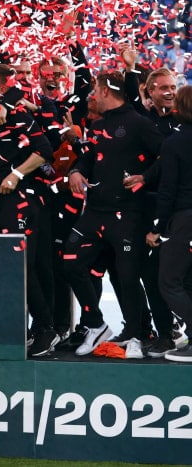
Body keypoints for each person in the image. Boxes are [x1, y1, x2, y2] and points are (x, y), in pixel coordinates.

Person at [66, 72, 163, 357]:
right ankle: (96, 324)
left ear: (107, 91)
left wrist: (144, 177)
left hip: (128, 213)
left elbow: (166, 156)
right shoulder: (98, 126)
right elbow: (87, 157)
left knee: (127, 275)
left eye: (95, 90)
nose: (92, 96)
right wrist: (76, 171)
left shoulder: (139, 123)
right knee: (69, 260)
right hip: (95, 212)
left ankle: (136, 334)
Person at [0, 65, 57, 356]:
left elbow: (45, 151)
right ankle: (12, 330)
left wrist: (16, 174)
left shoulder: (18, 115)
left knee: (20, 265)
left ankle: (46, 328)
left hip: (17, 198)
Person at [147, 85, 192, 362]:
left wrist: (157, 228)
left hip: (185, 219)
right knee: (187, 281)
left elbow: (168, 190)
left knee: (169, 281)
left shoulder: (174, 143)